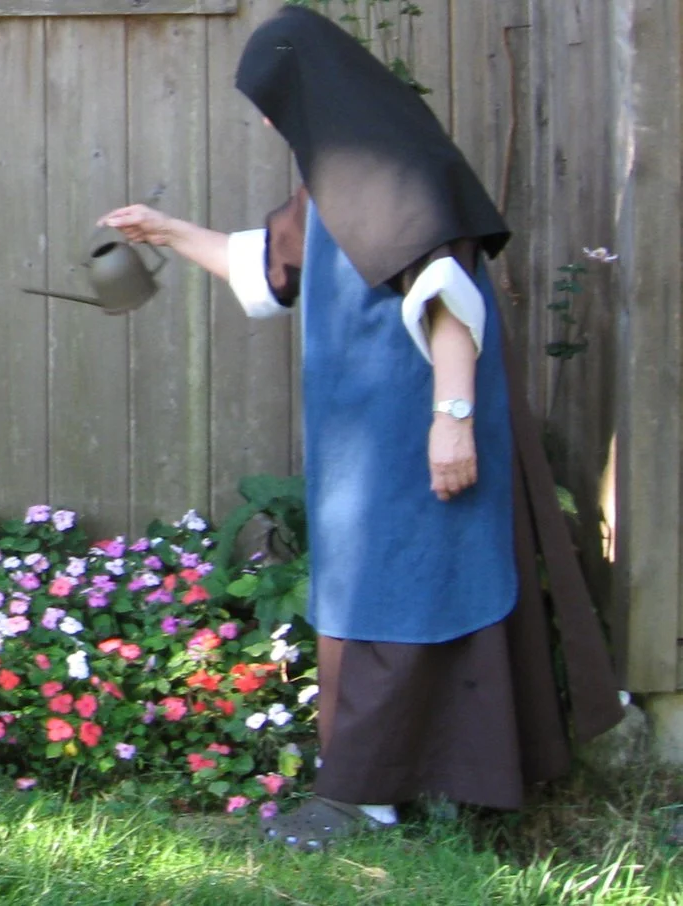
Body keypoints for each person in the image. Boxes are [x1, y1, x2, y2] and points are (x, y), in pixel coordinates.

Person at [99, 6, 623, 850]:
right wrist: (166, 232)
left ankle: (365, 797)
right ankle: (430, 781)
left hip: (414, 421)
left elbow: (447, 289)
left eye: (274, 101)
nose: (271, 120)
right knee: (377, 593)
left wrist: (451, 420)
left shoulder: (393, 163)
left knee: (407, 592)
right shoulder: (331, 178)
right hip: (361, 440)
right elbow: (268, 268)